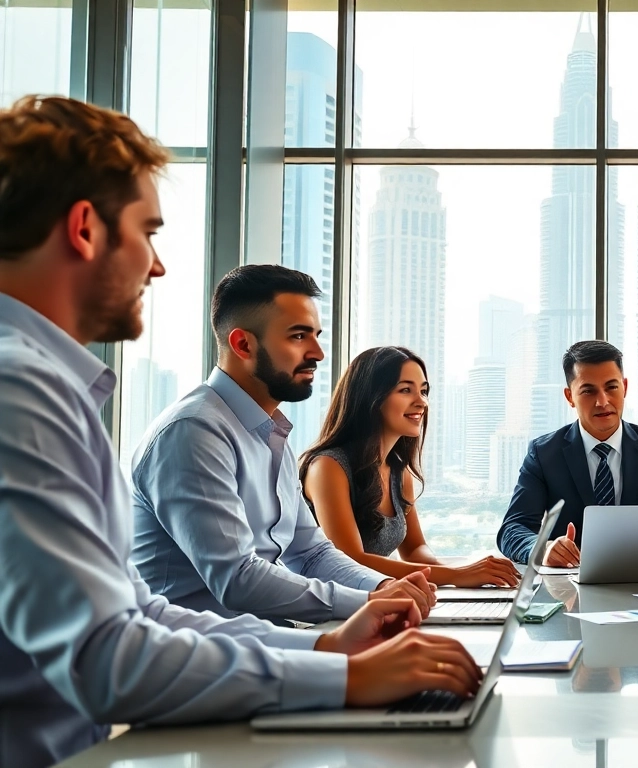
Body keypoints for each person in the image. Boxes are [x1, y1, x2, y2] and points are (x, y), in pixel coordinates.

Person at [0, 96, 479, 768]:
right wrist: (344, 675)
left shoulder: (53, 389)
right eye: (149, 232)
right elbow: (108, 655)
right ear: (84, 229)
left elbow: (140, 611)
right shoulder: (24, 392)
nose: (158, 266)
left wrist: (330, 646)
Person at [130, 264, 437, 624]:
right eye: (298, 337)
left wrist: (385, 587)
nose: (318, 353)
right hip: (198, 663)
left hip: (264, 647)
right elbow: (238, 579)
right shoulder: (193, 432)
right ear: (243, 344)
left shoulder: (270, 435)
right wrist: (368, 600)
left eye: (316, 335)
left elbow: (311, 553)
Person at [301, 345, 519, 587]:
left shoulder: (398, 471)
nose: (422, 402)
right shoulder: (328, 467)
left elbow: (415, 549)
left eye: (424, 391)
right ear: (370, 398)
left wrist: (465, 574)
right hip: (329, 612)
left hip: (373, 601)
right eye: (405, 390)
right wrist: (457, 576)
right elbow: (350, 561)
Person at [496, 340, 638, 566]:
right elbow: (512, 529)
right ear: (570, 396)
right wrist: (543, 548)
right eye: (588, 391)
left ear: (624, 387)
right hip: (570, 586)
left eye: (611, 387)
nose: (602, 401)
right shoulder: (544, 453)